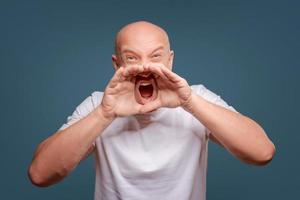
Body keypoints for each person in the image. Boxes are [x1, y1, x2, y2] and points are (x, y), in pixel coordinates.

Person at [28, 21, 276, 200]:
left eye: (155, 56)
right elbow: (40, 174)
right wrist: (105, 114)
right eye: (133, 58)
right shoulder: (99, 104)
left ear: (170, 60)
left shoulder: (195, 98)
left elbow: (262, 152)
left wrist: (189, 102)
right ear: (117, 64)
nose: (145, 67)